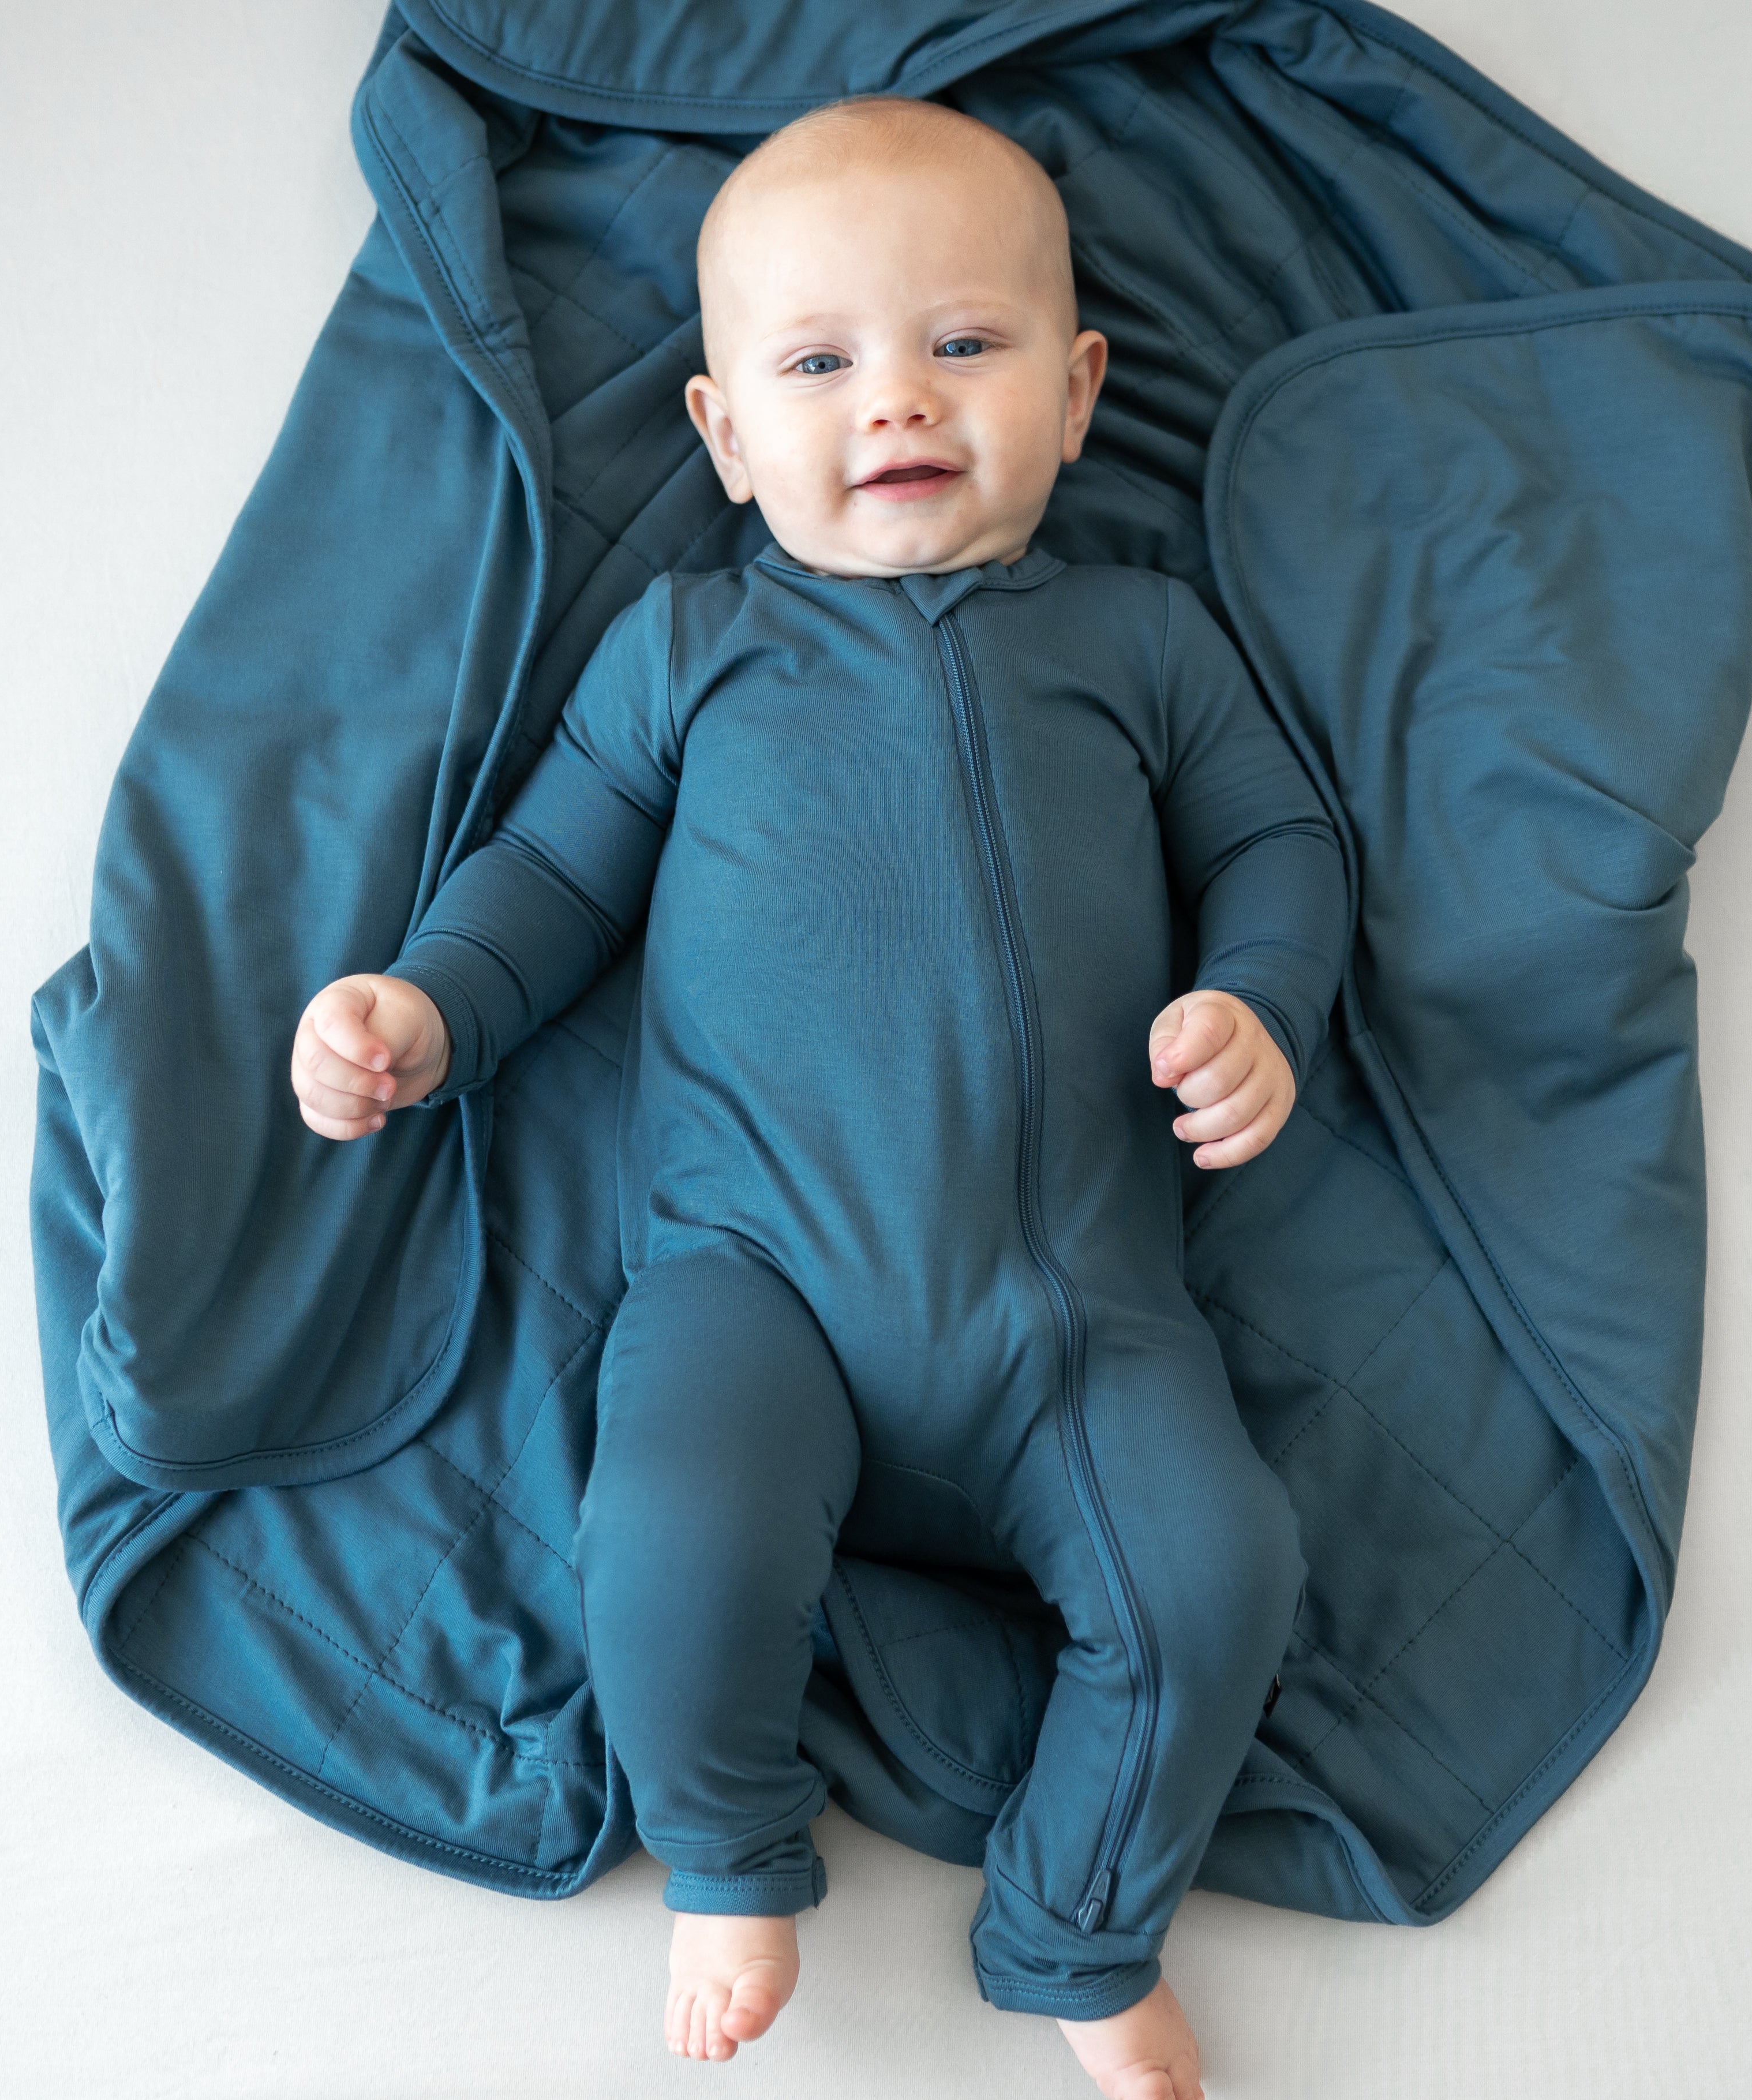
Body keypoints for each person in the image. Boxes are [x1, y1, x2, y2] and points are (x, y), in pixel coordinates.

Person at [289, 94, 1345, 2100]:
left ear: (1078, 385)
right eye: (817, 364)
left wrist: (1259, 1000)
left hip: (1085, 1310)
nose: (896, 404)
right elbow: (547, 882)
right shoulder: (687, 649)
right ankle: (730, 1853)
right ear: (720, 435)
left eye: (965, 343)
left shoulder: (1145, 642)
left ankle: (1076, 1923)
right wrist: (425, 1015)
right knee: (668, 1531)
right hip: (754, 1286)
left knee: (1223, 1580)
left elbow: (1282, 839)